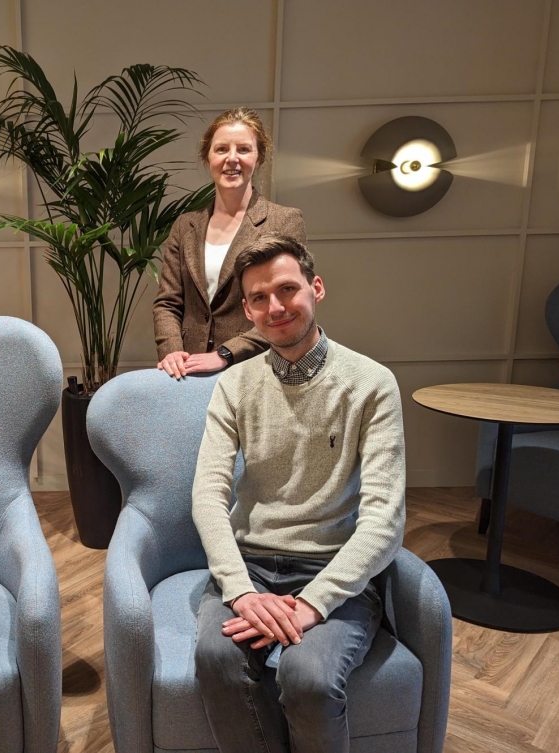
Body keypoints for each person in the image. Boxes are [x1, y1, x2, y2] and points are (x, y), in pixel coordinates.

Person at [191, 235, 405, 753]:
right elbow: (208, 494)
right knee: (217, 658)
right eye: (259, 298)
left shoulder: (372, 383)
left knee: (307, 675)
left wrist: (314, 604)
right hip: (251, 564)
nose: (276, 307)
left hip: (333, 566)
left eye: (287, 289)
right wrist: (240, 589)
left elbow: (385, 519)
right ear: (247, 310)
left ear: (316, 288)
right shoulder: (234, 385)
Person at [154, 108, 307, 379]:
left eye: (244, 149)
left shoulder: (283, 221)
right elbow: (168, 303)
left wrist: (226, 353)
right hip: (188, 375)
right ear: (208, 157)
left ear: (259, 158)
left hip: (255, 371)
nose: (232, 159)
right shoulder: (185, 225)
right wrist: (173, 352)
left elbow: (286, 307)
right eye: (222, 149)